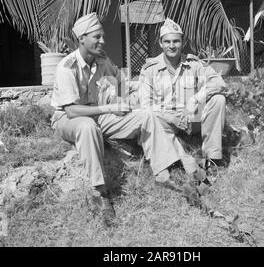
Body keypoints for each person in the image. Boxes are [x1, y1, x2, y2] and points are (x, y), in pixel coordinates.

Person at [50, 13, 184, 227]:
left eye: (102, 36)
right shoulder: (67, 67)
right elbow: (72, 111)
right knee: (87, 127)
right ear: (81, 39)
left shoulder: (102, 60)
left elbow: (121, 82)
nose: (102, 41)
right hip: (67, 118)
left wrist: (124, 100)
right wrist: (111, 107)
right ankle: (100, 192)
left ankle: (162, 172)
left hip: (98, 113)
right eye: (97, 37)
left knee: (145, 116)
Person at [139, 18, 227, 180]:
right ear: (160, 43)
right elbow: (145, 106)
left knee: (218, 100)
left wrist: (195, 100)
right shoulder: (150, 70)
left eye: (176, 41)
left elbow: (219, 82)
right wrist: (170, 117)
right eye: (167, 41)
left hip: (190, 118)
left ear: (183, 42)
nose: (171, 46)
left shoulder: (193, 64)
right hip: (165, 122)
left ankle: (212, 159)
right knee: (148, 117)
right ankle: (176, 161)